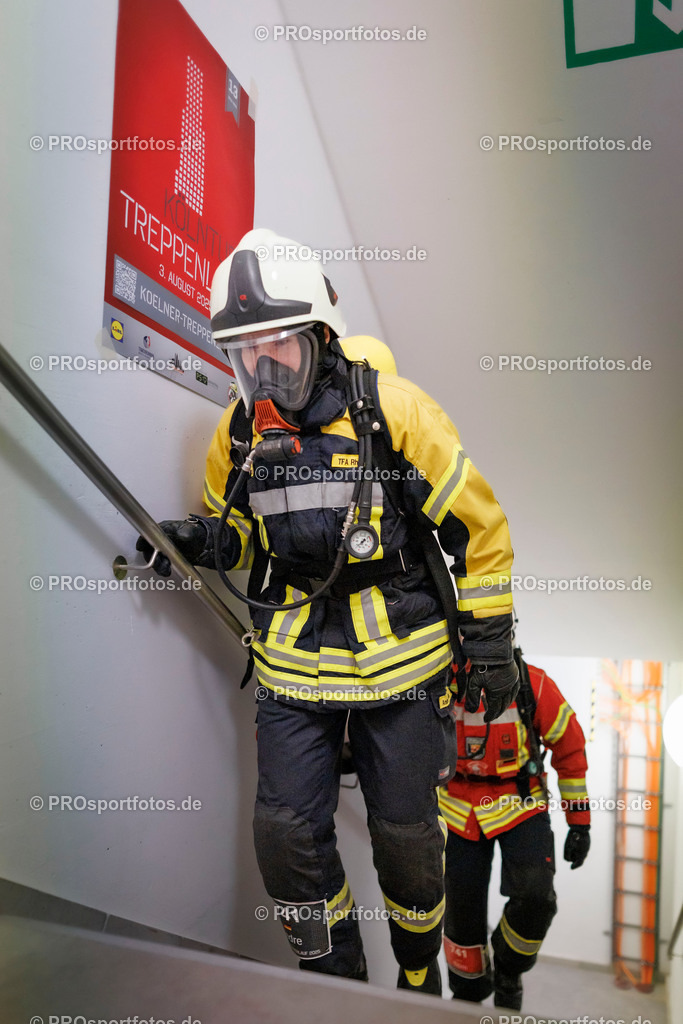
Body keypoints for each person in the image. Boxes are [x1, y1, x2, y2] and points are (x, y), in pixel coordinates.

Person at [138, 228, 519, 993]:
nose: (262, 367)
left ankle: (417, 969)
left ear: (319, 335)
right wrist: (200, 539)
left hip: (400, 666)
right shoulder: (239, 430)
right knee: (284, 839)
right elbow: (239, 530)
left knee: (406, 840)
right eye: (244, 352)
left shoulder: (394, 412)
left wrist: (488, 646)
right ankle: (332, 978)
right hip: (293, 664)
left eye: (277, 344)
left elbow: (477, 529)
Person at [439, 649, 591, 1009]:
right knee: (460, 915)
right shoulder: (437, 679)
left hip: (519, 803)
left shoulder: (533, 683)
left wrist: (579, 823)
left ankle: (508, 969)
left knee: (537, 897)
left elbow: (569, 750)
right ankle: (467, 993)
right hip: (457, 808)